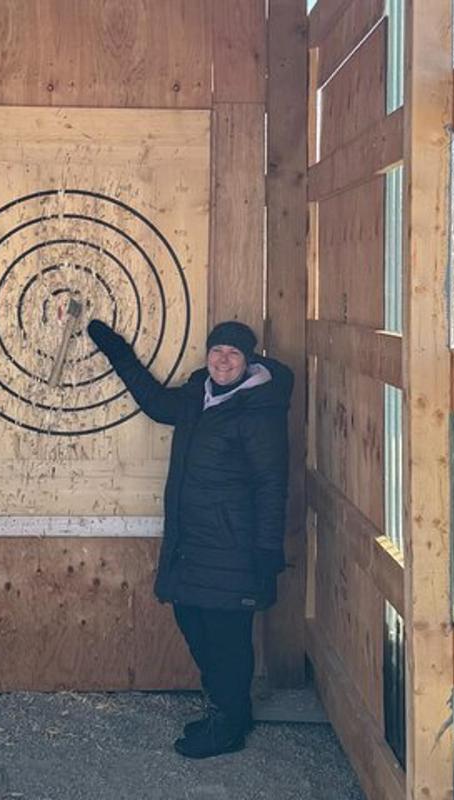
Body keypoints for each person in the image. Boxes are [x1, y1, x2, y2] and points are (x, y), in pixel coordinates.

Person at [86, 318, 292, 759]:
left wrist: (267, 550)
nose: (223, 360)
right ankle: (227, 710)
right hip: (193, 544)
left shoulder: (259, 411)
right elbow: (156, 402)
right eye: (217, 350)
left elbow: (272, 484)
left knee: (227, 639)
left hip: (233, 548)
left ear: (249, 360)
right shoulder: (198, 397)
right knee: (193, 622)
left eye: (233, 354)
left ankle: (229, 728)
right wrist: (117, 350)